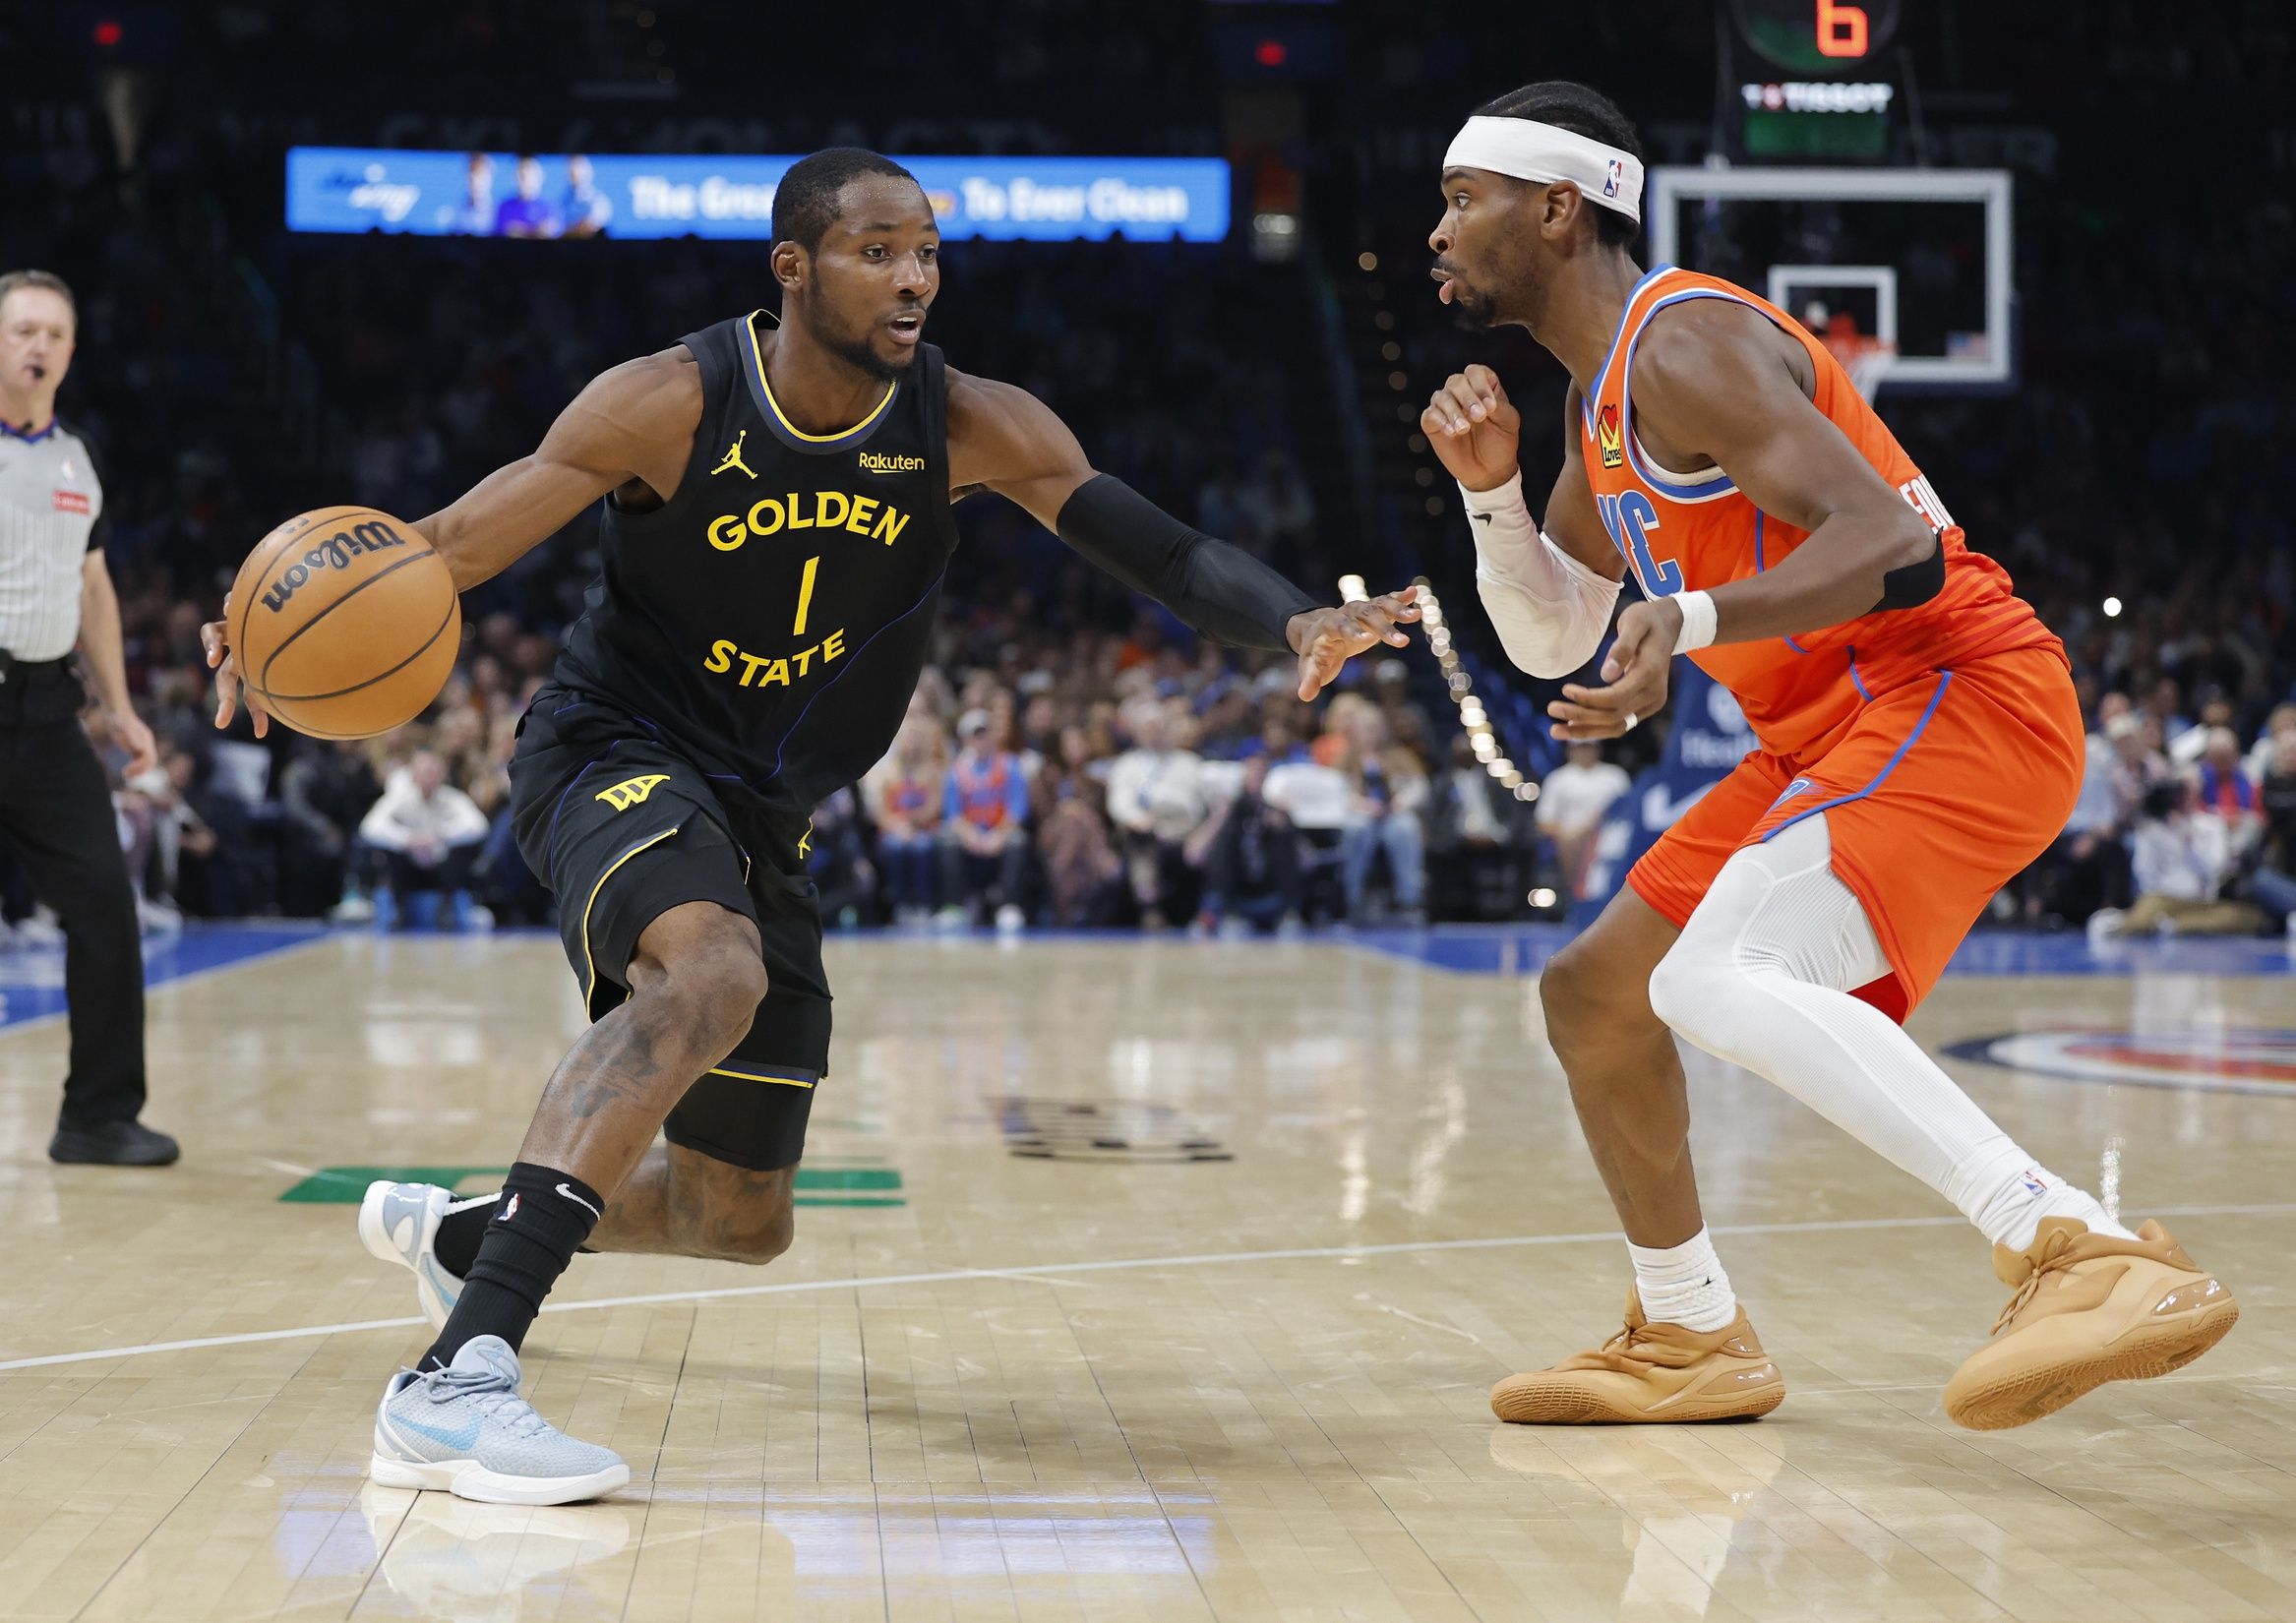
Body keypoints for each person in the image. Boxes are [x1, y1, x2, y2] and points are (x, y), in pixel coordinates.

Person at [205, 148, 1418, 1504]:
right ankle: (457, 1379)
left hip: (765, 808)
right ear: (794, 266)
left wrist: (1296, 615)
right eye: (878, 249)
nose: (913, 277)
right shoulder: (666, 402)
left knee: (741, 1218)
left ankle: (478, 1233)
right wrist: (274, 625)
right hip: (614, 748)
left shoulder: (965, 420)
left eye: (928, 252)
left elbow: (1164, 550)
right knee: (708, 973)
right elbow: (453, 542)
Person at [1422, 83, 2234, 1431]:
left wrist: (1683, 620)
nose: (1436, 233)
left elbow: (1891, 544)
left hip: (1955, 688)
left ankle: (2072, 1244)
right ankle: (1688, 1333)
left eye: (1462, 201)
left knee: (1718, 974)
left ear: (1556, 208)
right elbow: (1554, 638)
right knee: (1596, 995)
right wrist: (1489, 497)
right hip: (1826, 726)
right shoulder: (1596, 403)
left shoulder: (1680, 339)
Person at [0, 269, 175, 1167]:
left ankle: (98, 1115)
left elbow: (94, 584)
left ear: (70, 350)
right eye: (23, 329)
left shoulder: (78, 454)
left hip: (43, 709)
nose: (37, 346)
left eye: (54, 335)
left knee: (105, 905)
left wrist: (116, 706)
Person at [357, 750, 493, 931]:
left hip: (442, 869)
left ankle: (446, 909)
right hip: (408, 869)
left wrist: (440, 836)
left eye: (433, 771)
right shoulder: (398, 799)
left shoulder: (453, 798)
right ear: (413, 773)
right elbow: (369, 828)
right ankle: (399, 910)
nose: (429, 777)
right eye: (424, 771)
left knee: (460, 853)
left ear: (442, 773)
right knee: (389, 851)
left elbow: (479, 826)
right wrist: (407, 840)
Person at [940, 708, 1030, 931]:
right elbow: (953, 815)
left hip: (1000, 831)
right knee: (947, 841)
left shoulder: (1010, 766)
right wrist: (971, 835)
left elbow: (1017, 810)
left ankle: (1010, 906)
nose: (980, 739)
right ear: (965, 739)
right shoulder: (956, 772)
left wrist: (997, 836)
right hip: (969, 834)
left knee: (1017, 841)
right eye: (975, 735)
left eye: (984, 733)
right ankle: (956, 906)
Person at [1535, 739, 1629, 901]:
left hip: (1610, 835)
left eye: (1588, 748)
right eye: (1580, 748)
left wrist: (1594, 826)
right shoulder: (1558, 779)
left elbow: (1629, 810)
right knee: (1571, 841)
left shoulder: (1615, 776)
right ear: (1570, 751)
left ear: (1598, 749)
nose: (1584, 752)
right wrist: (1570, 833)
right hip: (1571, 836)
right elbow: (1544, 822)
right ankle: (1576, 895)